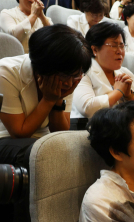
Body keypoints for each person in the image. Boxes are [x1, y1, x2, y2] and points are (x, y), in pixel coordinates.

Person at [0, 24, 91, 166]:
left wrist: (59, 98)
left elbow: (60, 131)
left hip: (45, 141)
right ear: (42, 68)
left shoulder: (69, 76)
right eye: (64, 76)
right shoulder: (6, 73)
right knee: (49, 154)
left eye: (76, 74)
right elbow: (19, 133)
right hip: (6, 139)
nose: (68, 83)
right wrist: (48, 100)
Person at [72, 22, 134, 119]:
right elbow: (87, 108)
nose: (120, 51)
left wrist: (129, 95)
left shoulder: (125, 73)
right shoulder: (84, 71)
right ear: (95, 50)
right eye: (114, 45)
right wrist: (118, 91)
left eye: (122, 46)